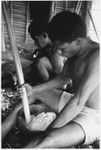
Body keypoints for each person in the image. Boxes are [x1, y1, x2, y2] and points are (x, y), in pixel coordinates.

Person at [23, 11, 100, 148]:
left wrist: (48, 131)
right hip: (72, 101)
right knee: (32, 92)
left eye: (62, 48)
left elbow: (78, 102)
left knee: (46, 140)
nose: (58, 52)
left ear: (77, 42)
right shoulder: (74, 53)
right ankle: (4, 127)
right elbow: (63, 78)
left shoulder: (97, 57)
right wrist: (33, 89)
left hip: (94, 115)